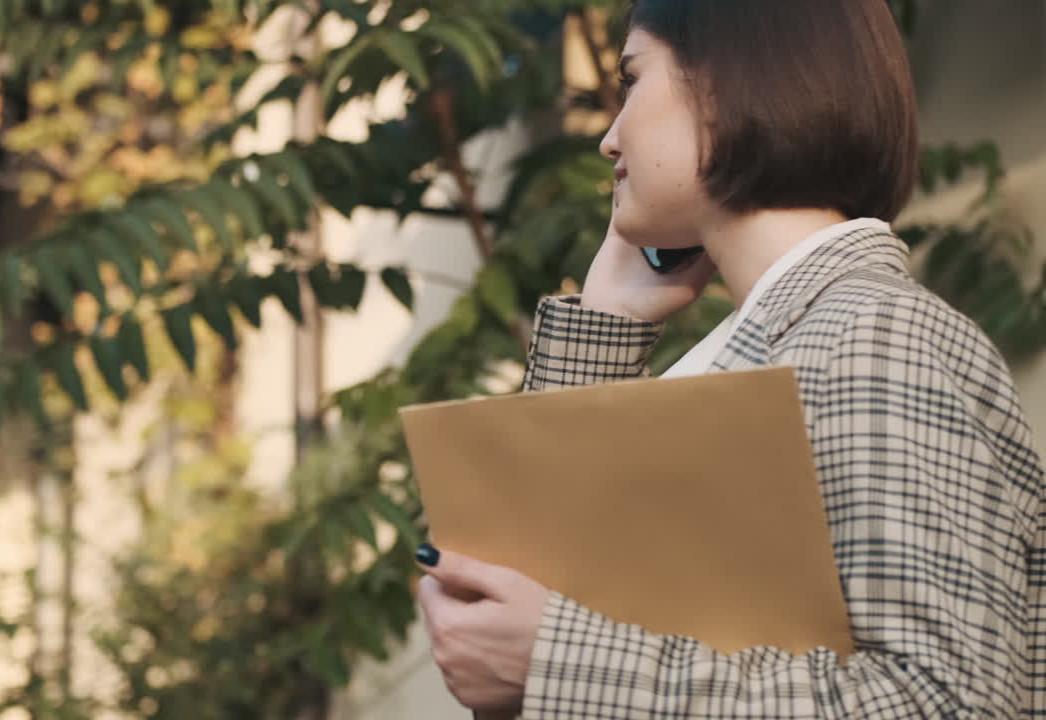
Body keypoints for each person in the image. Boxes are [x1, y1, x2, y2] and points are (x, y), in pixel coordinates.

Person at [413, 0, 1046, 717]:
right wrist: (601, 335)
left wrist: (560, 660)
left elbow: (944, 702)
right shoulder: (787, 346)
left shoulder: (873, 334)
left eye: (632, 80)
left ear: (727, 83)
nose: (610, 140)